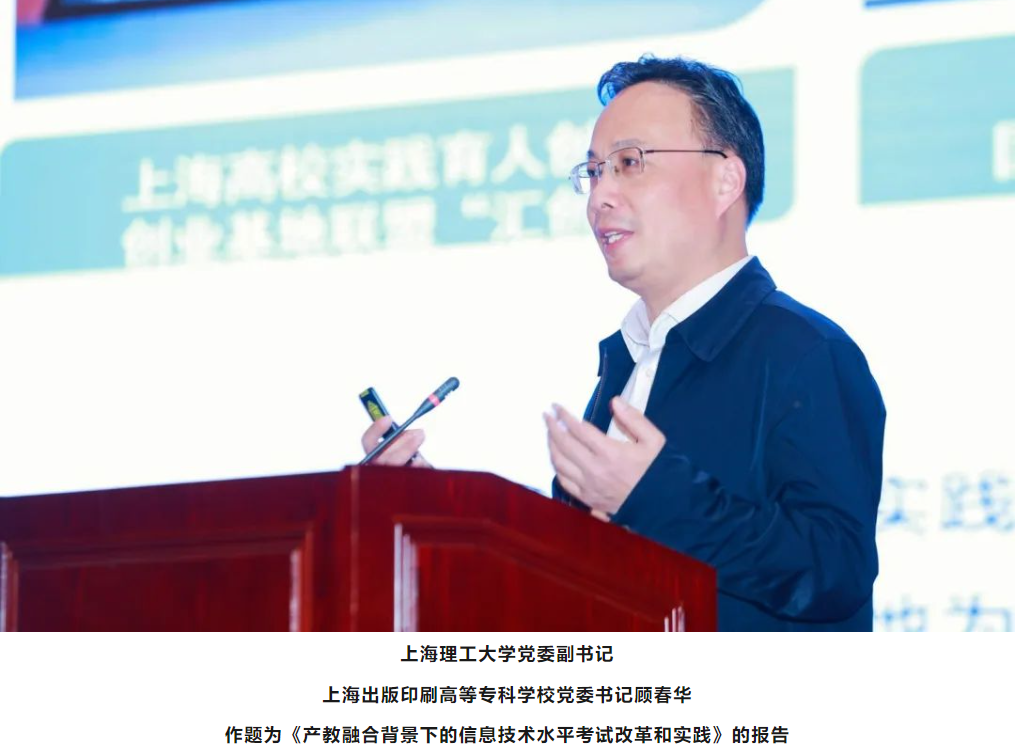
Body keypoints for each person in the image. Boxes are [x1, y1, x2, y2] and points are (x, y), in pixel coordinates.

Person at [361, 54, 886, 632]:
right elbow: (574, 574)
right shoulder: (629, 362)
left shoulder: (804, 352)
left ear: (725, 180)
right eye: (593, 172)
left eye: (630, 163)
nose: (599, 197)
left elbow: (835, 570)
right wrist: (444, 507)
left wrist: (654, 494)